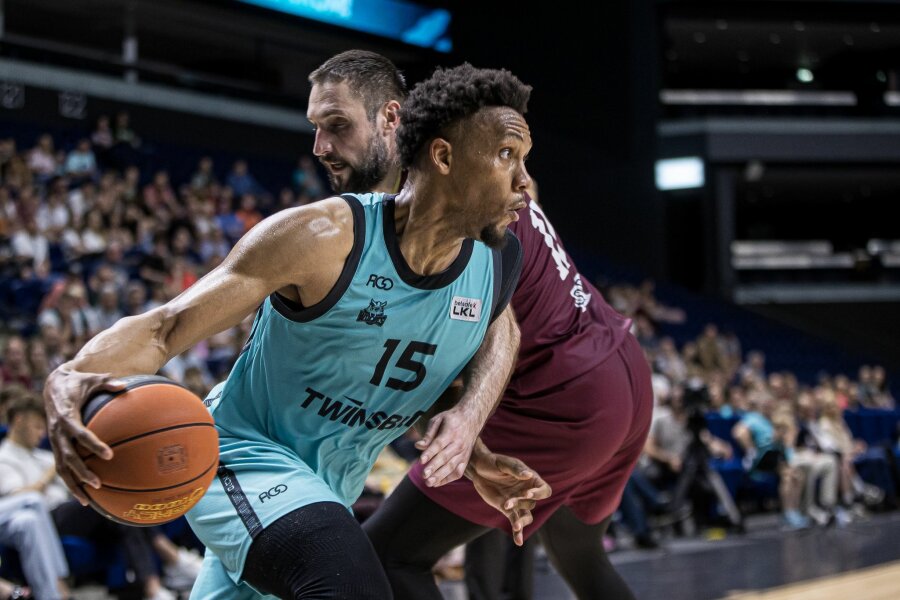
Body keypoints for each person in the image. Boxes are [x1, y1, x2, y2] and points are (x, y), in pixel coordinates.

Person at [44, 63, 549, 599]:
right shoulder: (322, 237)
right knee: (353, 587)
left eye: (524, 159)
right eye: (506, 156)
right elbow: (165, 328)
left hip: (329, 488)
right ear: (443, 157)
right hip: (240, 455)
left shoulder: (495, 265)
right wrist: (72, 373)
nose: (524, 181)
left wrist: (469, 431)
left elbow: (497, 335)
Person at [306, 50, 653, 600]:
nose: (322, 146)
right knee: (579, 556)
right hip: (618, 368)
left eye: (339, 126)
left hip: (560, 395)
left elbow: (476, 333)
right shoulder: (482, 166)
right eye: (317, 128)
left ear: (392, 120)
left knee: (390, 555)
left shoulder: (440, 205)